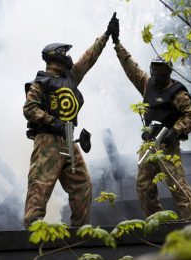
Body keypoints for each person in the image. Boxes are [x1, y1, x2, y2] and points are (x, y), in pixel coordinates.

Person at [23, 13, 119, 228]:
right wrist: (51, 121)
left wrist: (105, 35)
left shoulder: (70, 77)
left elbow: (88, 58)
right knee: (41, 186)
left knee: (82, 184)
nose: (69, 56)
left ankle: (79, 231)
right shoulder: (40, 83)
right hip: (48, 140)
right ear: (56, 56)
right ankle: (30, 236)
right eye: (65, 53)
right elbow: (29, 109)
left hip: (68, 139)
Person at [110, 19, 191, 220]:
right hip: (149, 143)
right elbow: (130, 66)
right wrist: (117, 43)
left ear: (168, 71)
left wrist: (175, 130)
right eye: (155, 69)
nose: (157, 74)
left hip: (167, 145)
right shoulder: (147, 84)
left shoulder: (177, 92)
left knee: (177, 186)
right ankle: (157, 222)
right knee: (143, 186)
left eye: (161, 70)